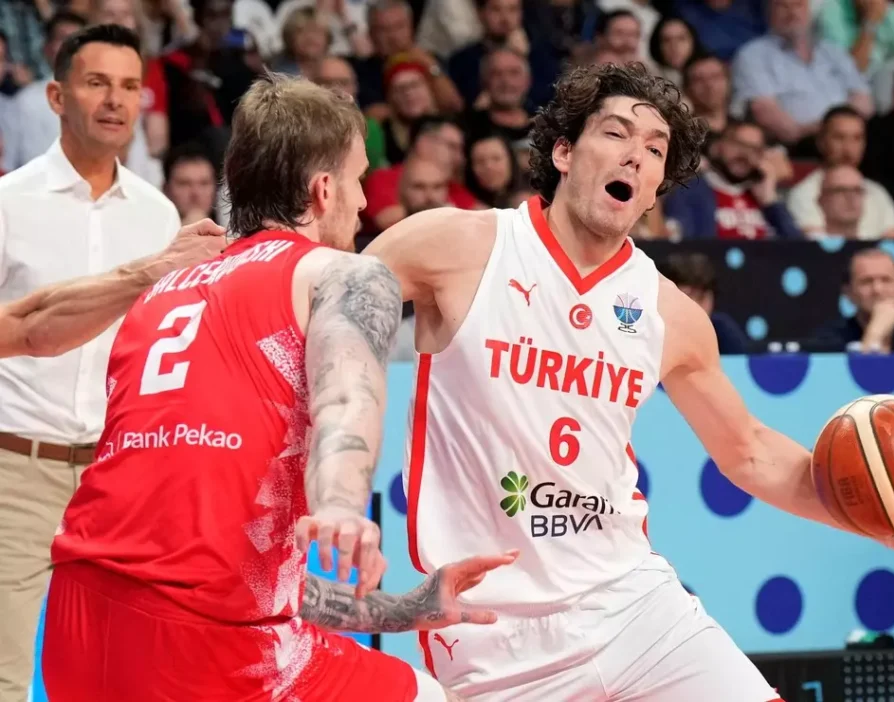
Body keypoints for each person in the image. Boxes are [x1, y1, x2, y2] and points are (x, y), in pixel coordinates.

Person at [364, 61, 894, 700]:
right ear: (564, 152)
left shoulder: (668, 311)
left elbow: (750, 452)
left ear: (654, 190)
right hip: (488, 629)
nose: (636, 155)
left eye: (655, 150)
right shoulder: (457, 247)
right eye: (616, 133)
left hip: (634, 607)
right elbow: (318, 309)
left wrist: (878, 519)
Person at [42, 74, 511, 702]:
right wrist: (342, 505)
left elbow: (229, 566)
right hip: (203, 644)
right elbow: (346, 395)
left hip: (79, 619)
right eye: (358, 180)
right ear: (323, 190)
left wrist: (404, 609)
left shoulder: (162, 296)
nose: (363, 203)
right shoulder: (341, 274)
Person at [0, 24, 183, 699]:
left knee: (120, 674)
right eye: (97, 82)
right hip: (15, 468)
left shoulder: (160, 216)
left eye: (130, 86)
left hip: (118, 479)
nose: (115, 100)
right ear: (56, 96)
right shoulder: (8, 204)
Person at [0, 220, 225, 359]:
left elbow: (28, 327)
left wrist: (156, 269)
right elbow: (26, 330)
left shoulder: (161, 210)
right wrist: (154, 272)